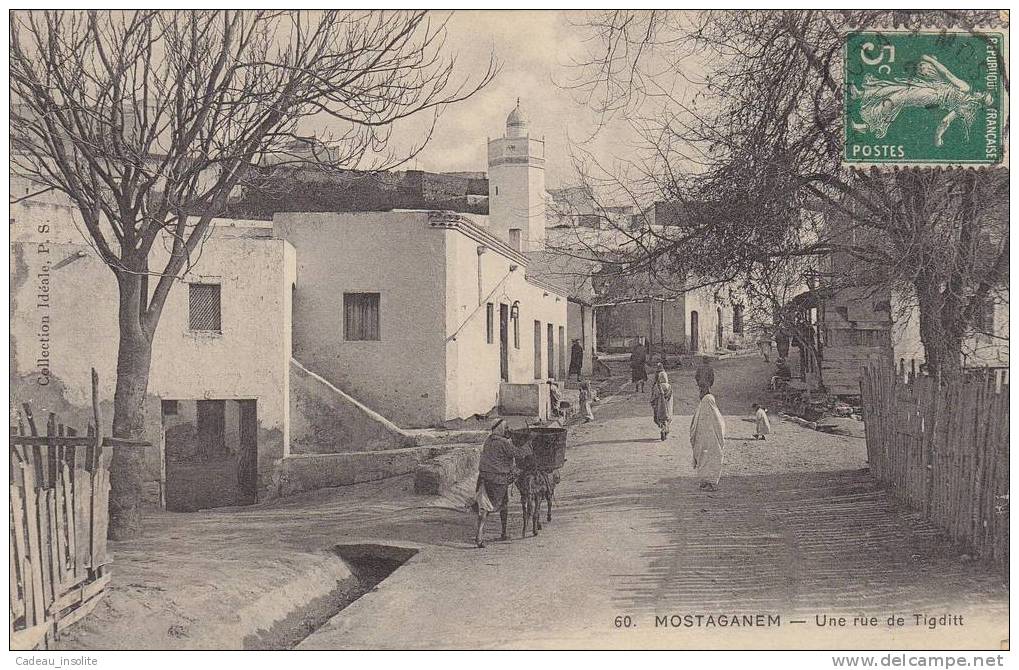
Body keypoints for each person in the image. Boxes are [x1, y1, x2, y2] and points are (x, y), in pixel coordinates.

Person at [474, 420, 532, 548]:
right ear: (500, 429)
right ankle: (502, 533)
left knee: (485, 507)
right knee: (501, 505)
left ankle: (481, 534)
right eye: (506, 428)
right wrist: (528, 444)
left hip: (483, 478)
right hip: (498, 480)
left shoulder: (488, 440)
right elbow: (518, 454)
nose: (508, 431)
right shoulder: (503, 443)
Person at [691, 392, 726, 491]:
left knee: (703, 460)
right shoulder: (714, 413)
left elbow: (692, 427)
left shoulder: (699, 411)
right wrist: (721, 439)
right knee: (713, 458)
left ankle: (703, 482)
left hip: (700, 441)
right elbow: (720, 426)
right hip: (711, 440)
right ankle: (708, 483)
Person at [650, 369, 674, 441]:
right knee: (667, 419)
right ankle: (665, 430)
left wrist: (653, 403)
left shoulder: (657, 387)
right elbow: (671, 398)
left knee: (660, 419)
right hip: (668, 406)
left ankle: (663, 429)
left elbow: (653, 397)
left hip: (659, 407)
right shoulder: (669, 387)